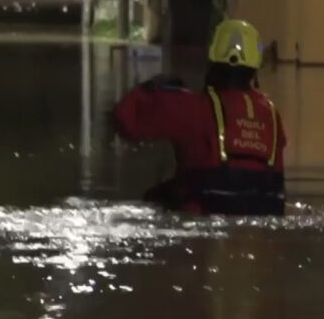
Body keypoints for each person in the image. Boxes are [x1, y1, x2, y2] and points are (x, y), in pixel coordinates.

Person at [113, 19, 287, 216]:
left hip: (205, 216)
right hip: (264, 219)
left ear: (211, 61)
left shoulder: (191, 107)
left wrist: (153, 87)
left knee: (157, 197)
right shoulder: (272, 116)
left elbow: (125, 119)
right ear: (254, 70)